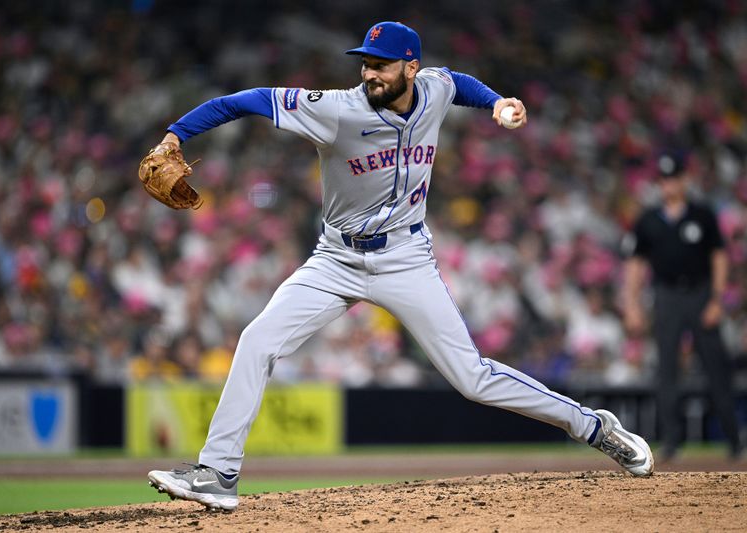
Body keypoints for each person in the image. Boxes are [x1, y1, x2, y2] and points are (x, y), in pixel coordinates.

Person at [146, 21, 653, 511]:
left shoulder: (432, 89)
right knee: (258, 340)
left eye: (381, 66)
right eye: (366, 64)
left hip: (405, 258)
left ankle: (593, 426)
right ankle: (218, 473)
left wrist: (497, 102)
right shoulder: (337, 110)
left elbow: (459, 84)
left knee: (471, 378)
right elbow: (243, 100)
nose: (369, 74)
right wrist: (176, 136)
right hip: (336, 259)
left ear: (411, 67)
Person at [622, 152, 743, 461]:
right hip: (666, 296)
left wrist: (717, 300)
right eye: (664, 179)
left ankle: (734, 439)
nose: (669, 184)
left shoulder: (702, 214)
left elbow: (718, 257)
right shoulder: (648, 220)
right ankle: (672, 442)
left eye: (674, 177)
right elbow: (636, 264)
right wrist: (632, 304)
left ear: (684, 180)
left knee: (716, 367)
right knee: (666, 370)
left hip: (700, 293)